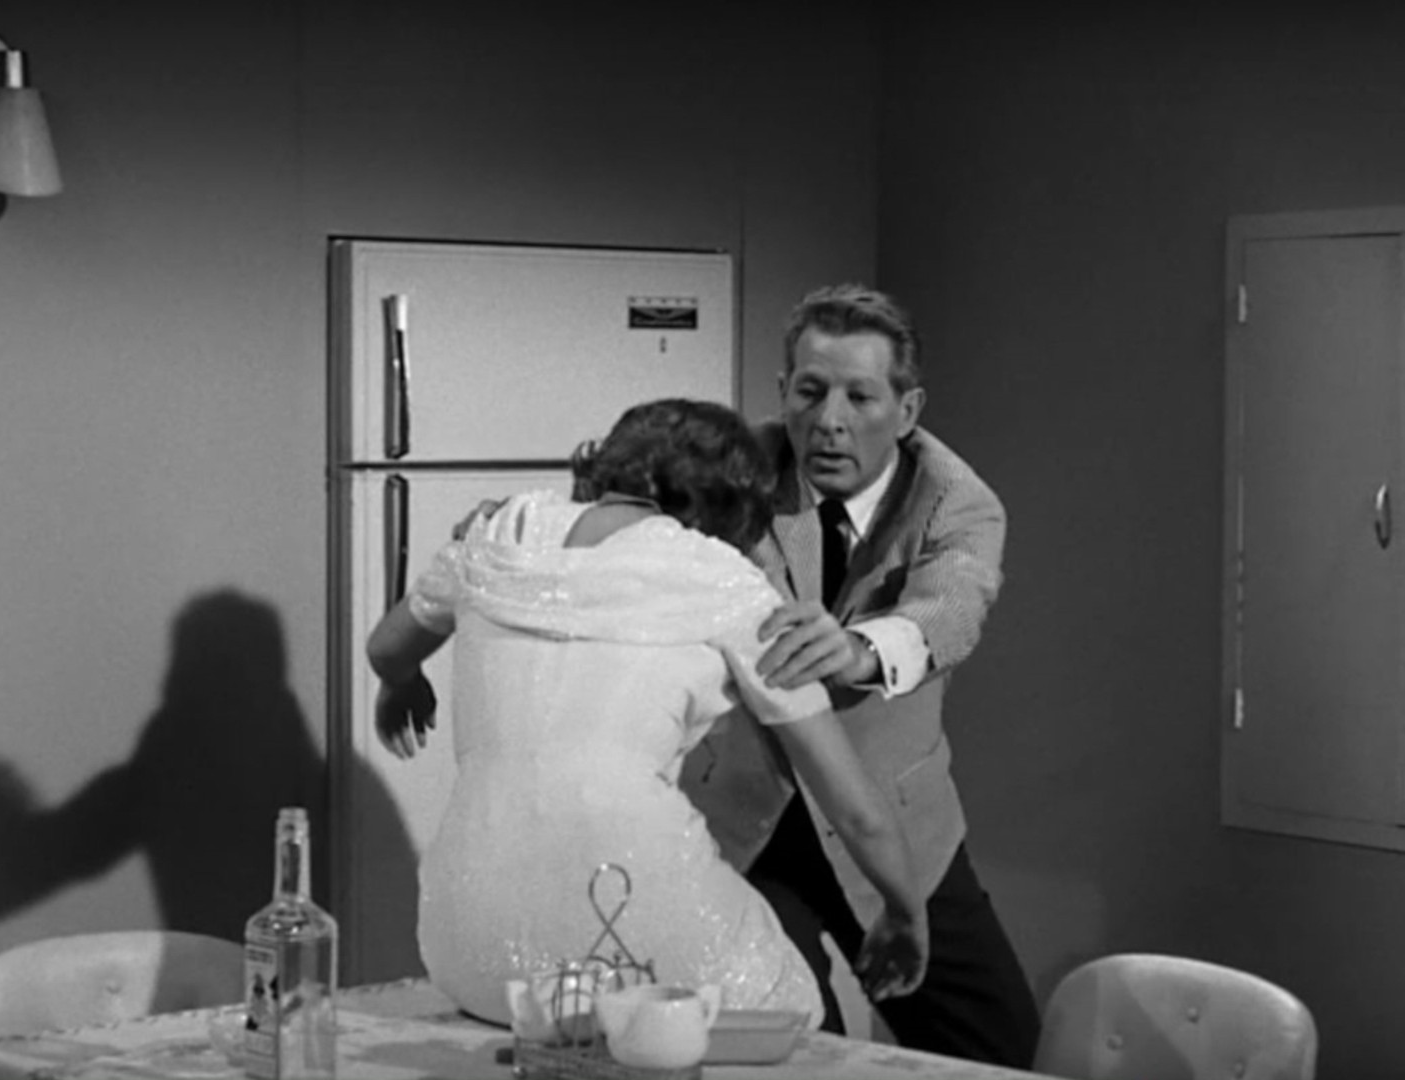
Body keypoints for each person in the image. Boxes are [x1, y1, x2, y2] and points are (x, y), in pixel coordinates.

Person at [365, 398, 927, 1030]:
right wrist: (904, 913)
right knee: (791, 1009)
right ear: (735, 505)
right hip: (636, 927)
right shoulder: (722, 578)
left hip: (466, 948)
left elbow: (385, 648)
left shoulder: (499, 531)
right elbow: (854, 810)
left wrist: (402, 683)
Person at [679, 283, 1041, 1067]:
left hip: (895, 827)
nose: (829, 420)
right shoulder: (732, 472)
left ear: (907, 410)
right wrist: (523, 526)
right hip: (746, 825)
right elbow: (623, 509)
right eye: (810, 392)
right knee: (791, 1047)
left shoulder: (958, 501)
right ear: (783, 391)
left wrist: (861, 650)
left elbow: (953, 608)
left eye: (859, 397)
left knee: (1003, 1050)